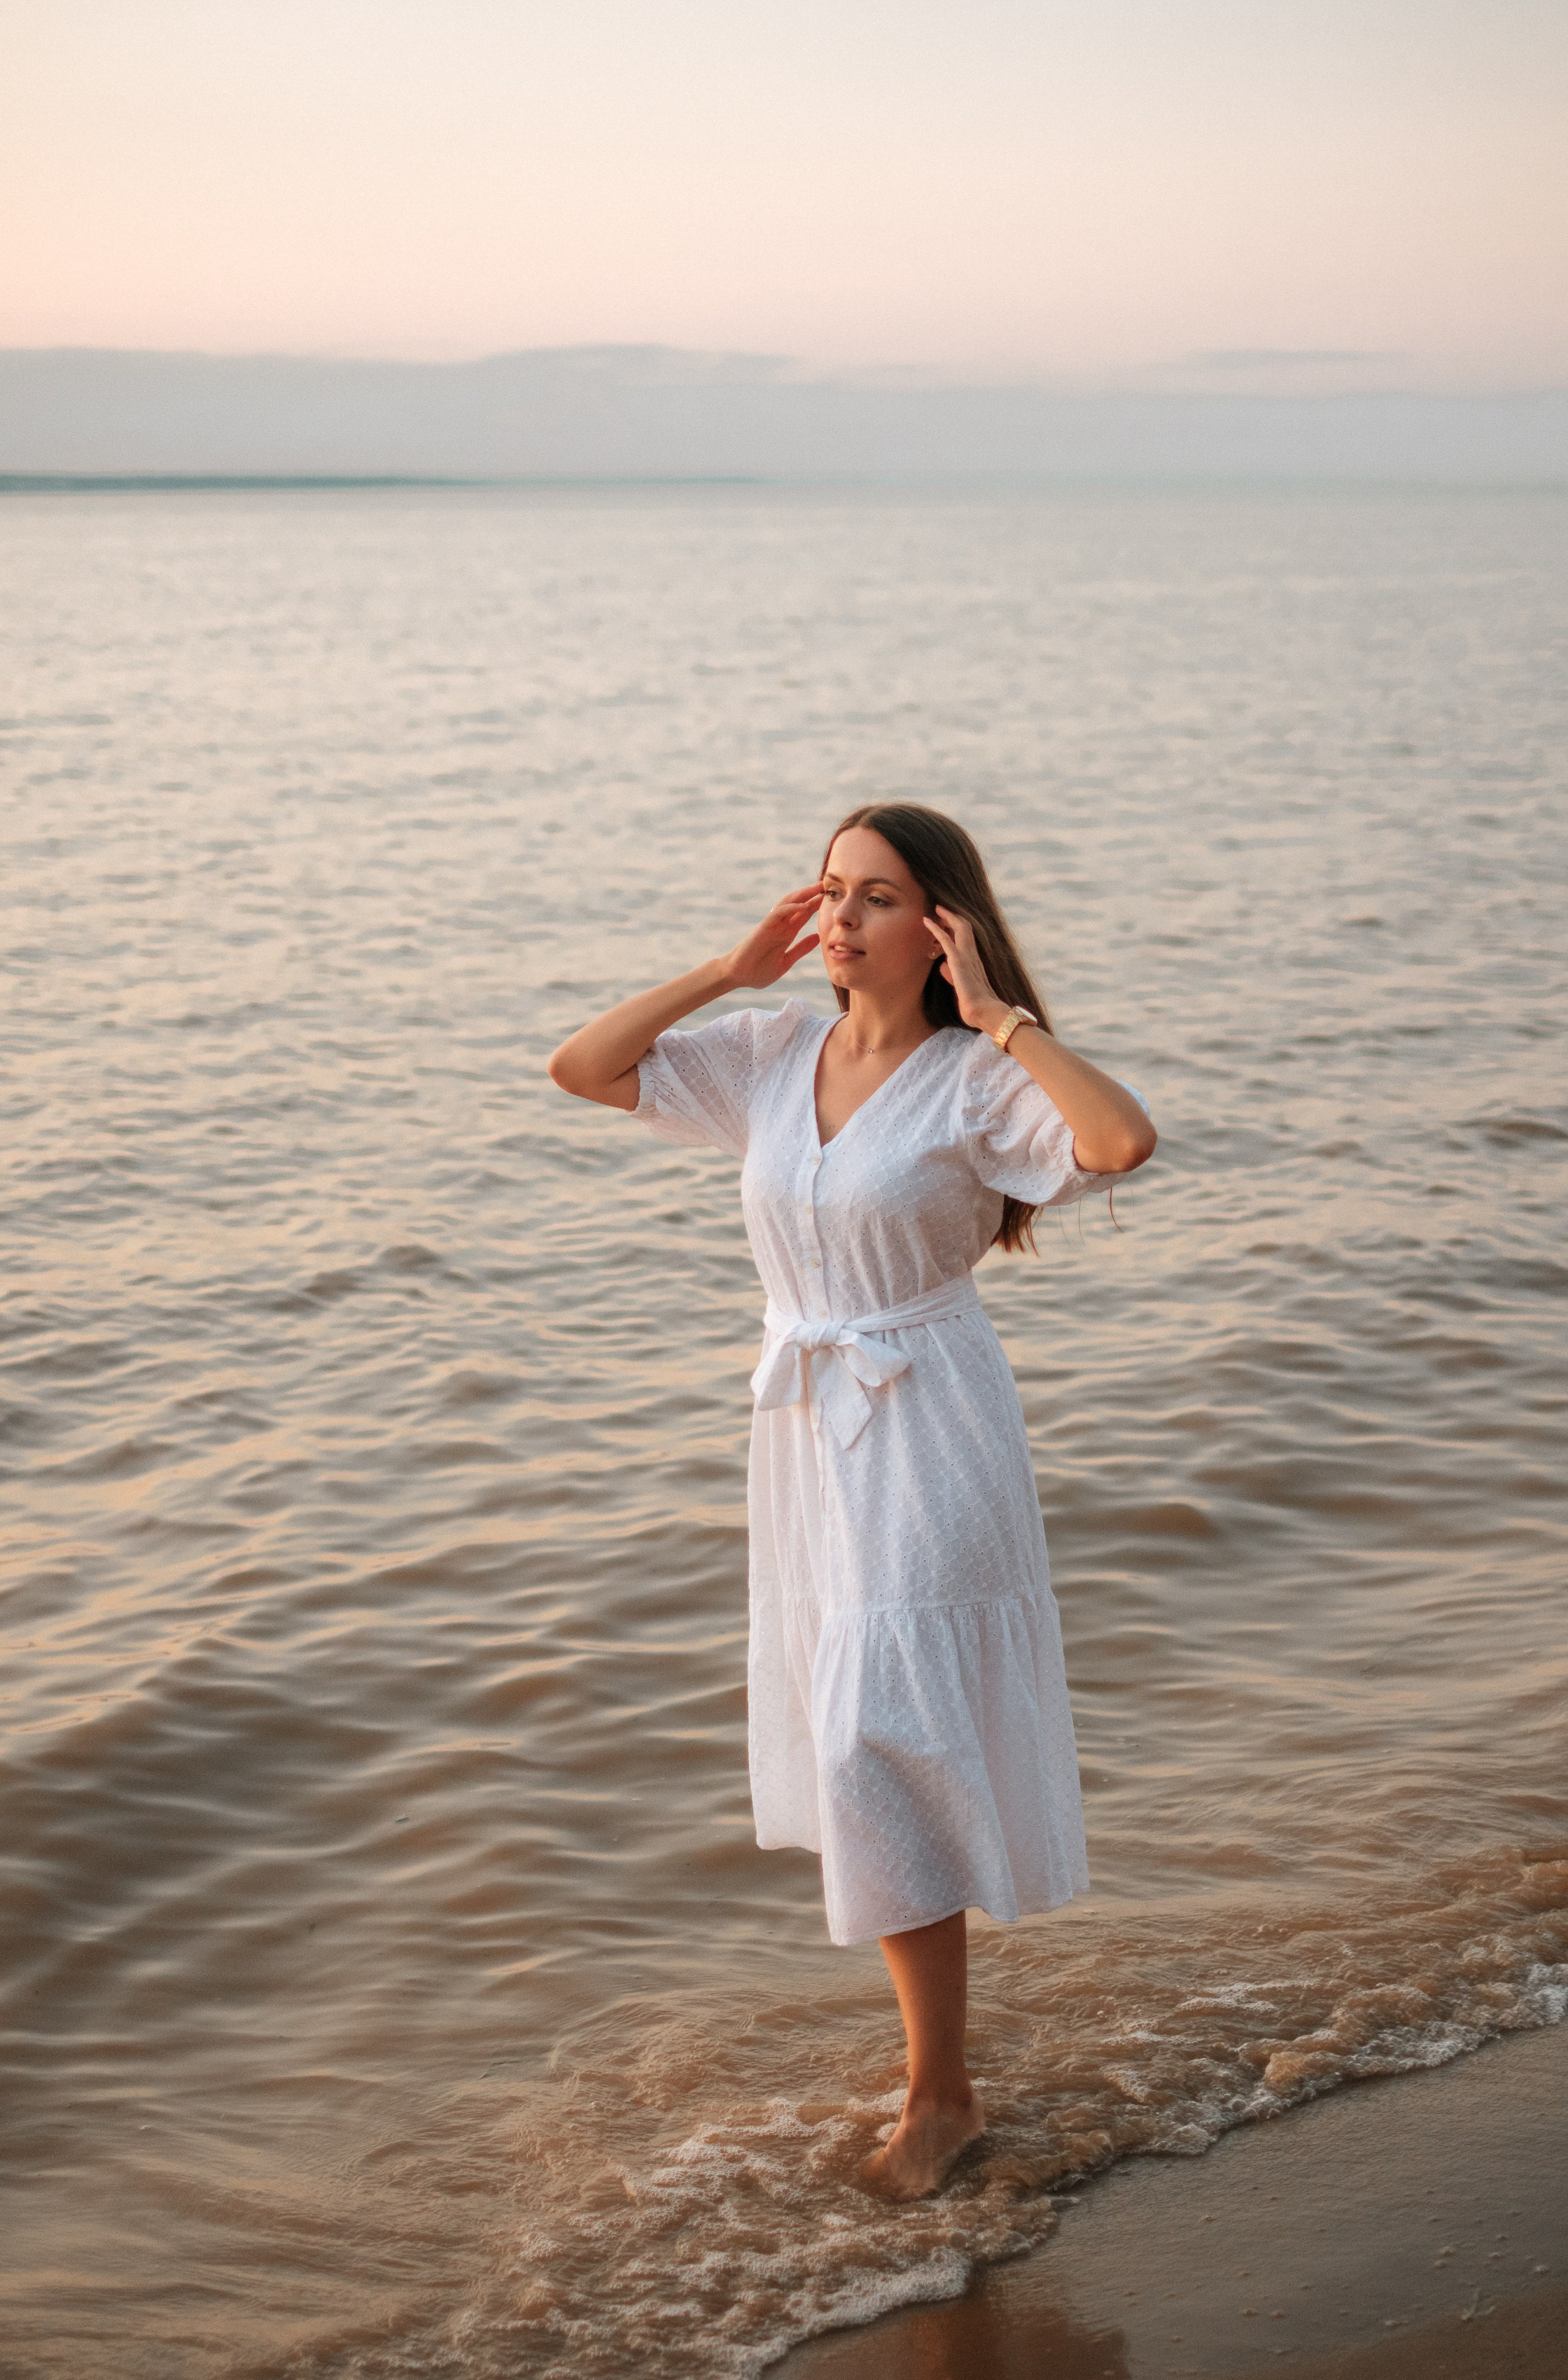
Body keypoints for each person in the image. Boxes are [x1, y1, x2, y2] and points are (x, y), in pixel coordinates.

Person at [547, 803, 1156, 2199]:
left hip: (930, 1414)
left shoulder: (969, 1079)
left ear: (941, 922)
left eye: (877, 895)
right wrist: (724, 969)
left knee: (887, 1724)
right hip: (809, 1425)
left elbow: (1119, 1142)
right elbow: (584, 1067)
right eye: (831, 890)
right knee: (856, 1733)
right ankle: (937, 2077)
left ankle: (939, 2094)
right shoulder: (769, 1055)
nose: (841, 916)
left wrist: (1001, 1017)